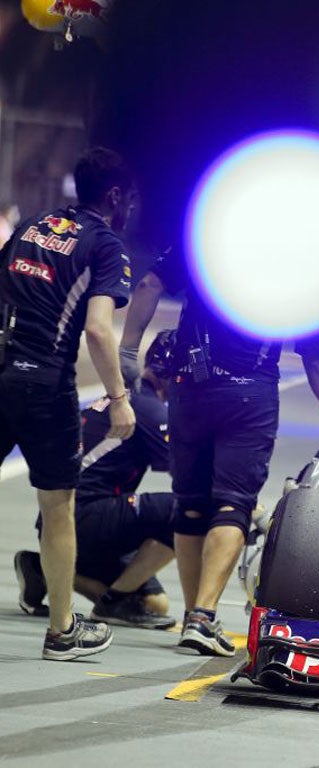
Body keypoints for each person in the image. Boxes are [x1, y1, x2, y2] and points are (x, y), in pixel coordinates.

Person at [119, 252, 319, 656]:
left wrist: (128, 349)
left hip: (189, 389)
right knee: (233, 503)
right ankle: (202, 615)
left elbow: (148, 285)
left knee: (191, 505)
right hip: (249, 393)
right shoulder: (300, 271)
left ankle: (194, 617)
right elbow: (317, 356)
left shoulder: (206, 235)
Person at [0, 147, 136, 660]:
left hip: (1, 367)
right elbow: (99, 332)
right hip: (45, 384)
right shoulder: (105, 244)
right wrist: (120, 400)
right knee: (58, 506)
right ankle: (62, 631)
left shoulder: (34, 224)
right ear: (116, 195)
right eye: (132, 199)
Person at [14, 330, 179, 630]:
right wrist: (248, 508)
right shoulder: (148, 408)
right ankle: (112, 603)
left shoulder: (127, 399)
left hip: (70, 520)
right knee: (183, 510)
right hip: (86, 516)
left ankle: (43, 568)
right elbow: (187, 479)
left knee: (156, 605)